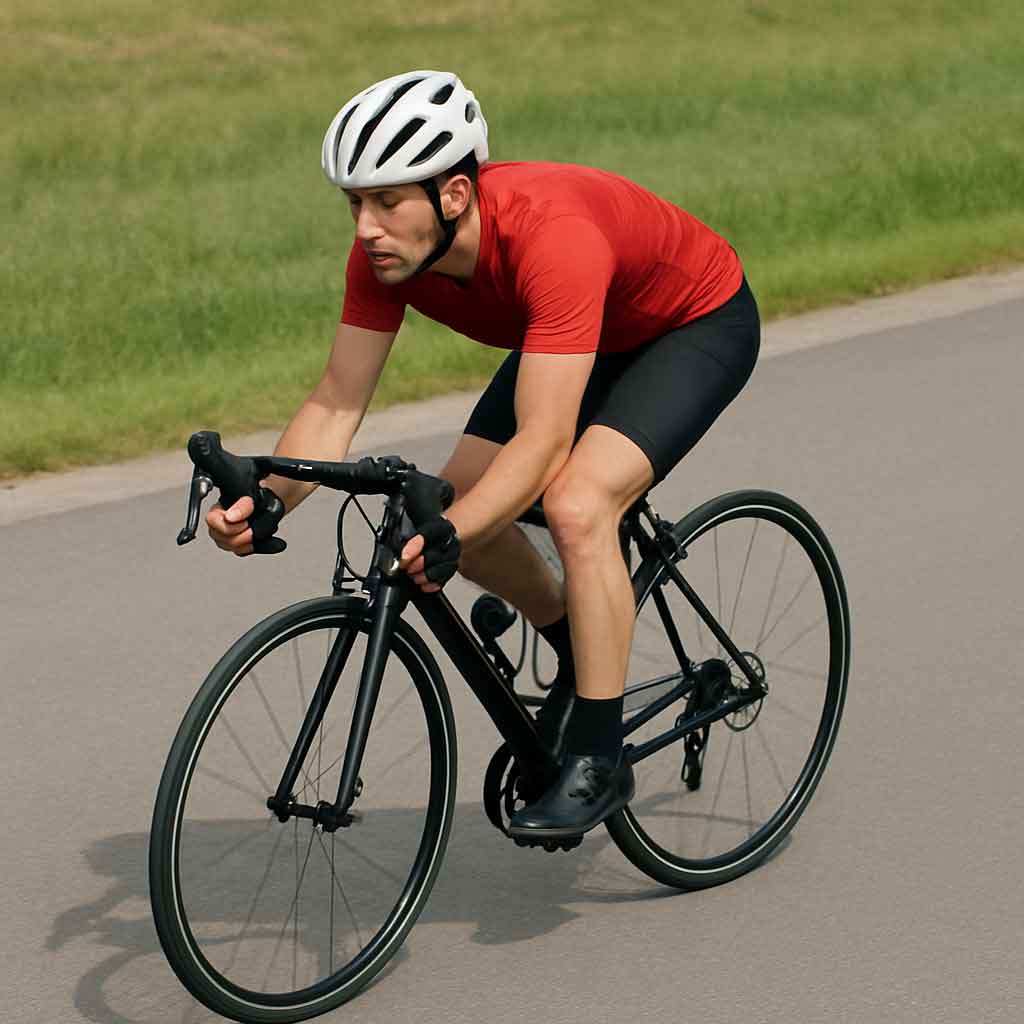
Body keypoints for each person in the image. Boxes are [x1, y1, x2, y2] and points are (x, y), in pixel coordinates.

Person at [206, 69, 761, 841]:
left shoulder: (550, 236)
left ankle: (600, 760)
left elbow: (545, 442)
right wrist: (265, 497)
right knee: (456, 502)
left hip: (690, 325)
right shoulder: (382, 259)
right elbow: (336, 401)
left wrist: (456, 532)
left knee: (574, 504)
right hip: (577, 333)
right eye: (355, 203)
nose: (366, 227)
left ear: (454, 196)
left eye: (388, 200)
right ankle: (578, 647)